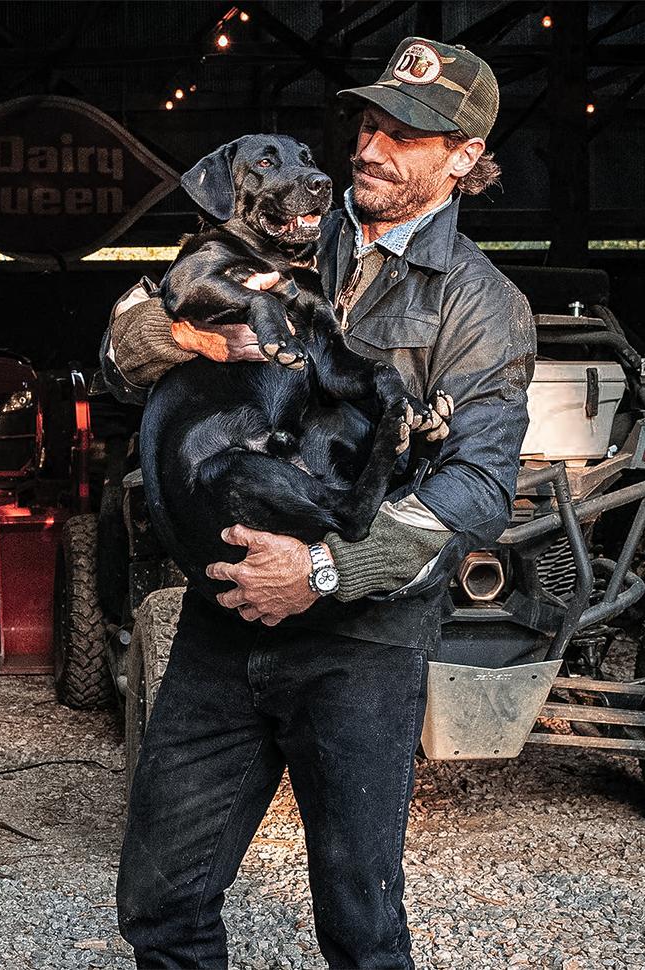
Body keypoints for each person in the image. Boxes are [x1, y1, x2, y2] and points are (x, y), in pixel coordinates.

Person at [103, 37, 536, 969]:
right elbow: (122, 340)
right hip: (227, 619)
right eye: (370, 124)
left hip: (359, 640)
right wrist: (197, 338)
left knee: (360, 927)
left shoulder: (481, 306)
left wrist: (322, 568)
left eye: (407, 136)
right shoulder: (279, 218)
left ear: (462, 160)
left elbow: (476, 488)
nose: (371, 149)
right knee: (160, 904)